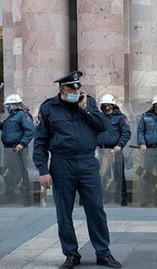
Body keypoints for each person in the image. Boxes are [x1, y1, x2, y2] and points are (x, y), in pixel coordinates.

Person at [33, 71, 122, 268]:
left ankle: (103, 253)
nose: (75, 91)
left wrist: (85, 109)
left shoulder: (88, 103)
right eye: (70, 88)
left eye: (77, 88)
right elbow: (40, 141)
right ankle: (71, 254)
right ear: (61, 89)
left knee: (96, 209)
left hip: (87, 163)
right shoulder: (49, 108)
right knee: (64, 212)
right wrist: (42, 169)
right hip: (61, 163)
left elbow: (103, 126)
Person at [96, 93, 131, 206]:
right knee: (104, 175)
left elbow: (126, 133)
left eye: (108, 105)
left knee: (118, 175)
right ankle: (105, 196)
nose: (106, 107)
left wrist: (120, 145)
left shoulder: (120, 117)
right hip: (102, 151)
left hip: (115, 151)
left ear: (113, 105)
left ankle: (121, 198)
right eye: (104, 105)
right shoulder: (99, 117)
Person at [0, 94, 35, 205]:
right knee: (10, 172)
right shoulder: (11, 116)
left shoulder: (22, 115)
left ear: (14, 105)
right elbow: (6, 127)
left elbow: (30, 130)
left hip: (18, 148)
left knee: (22, 171)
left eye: (8, 105)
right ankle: (11, 197)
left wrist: (22, 144)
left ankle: (26, 198)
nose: (7, 107)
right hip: (9, 149)